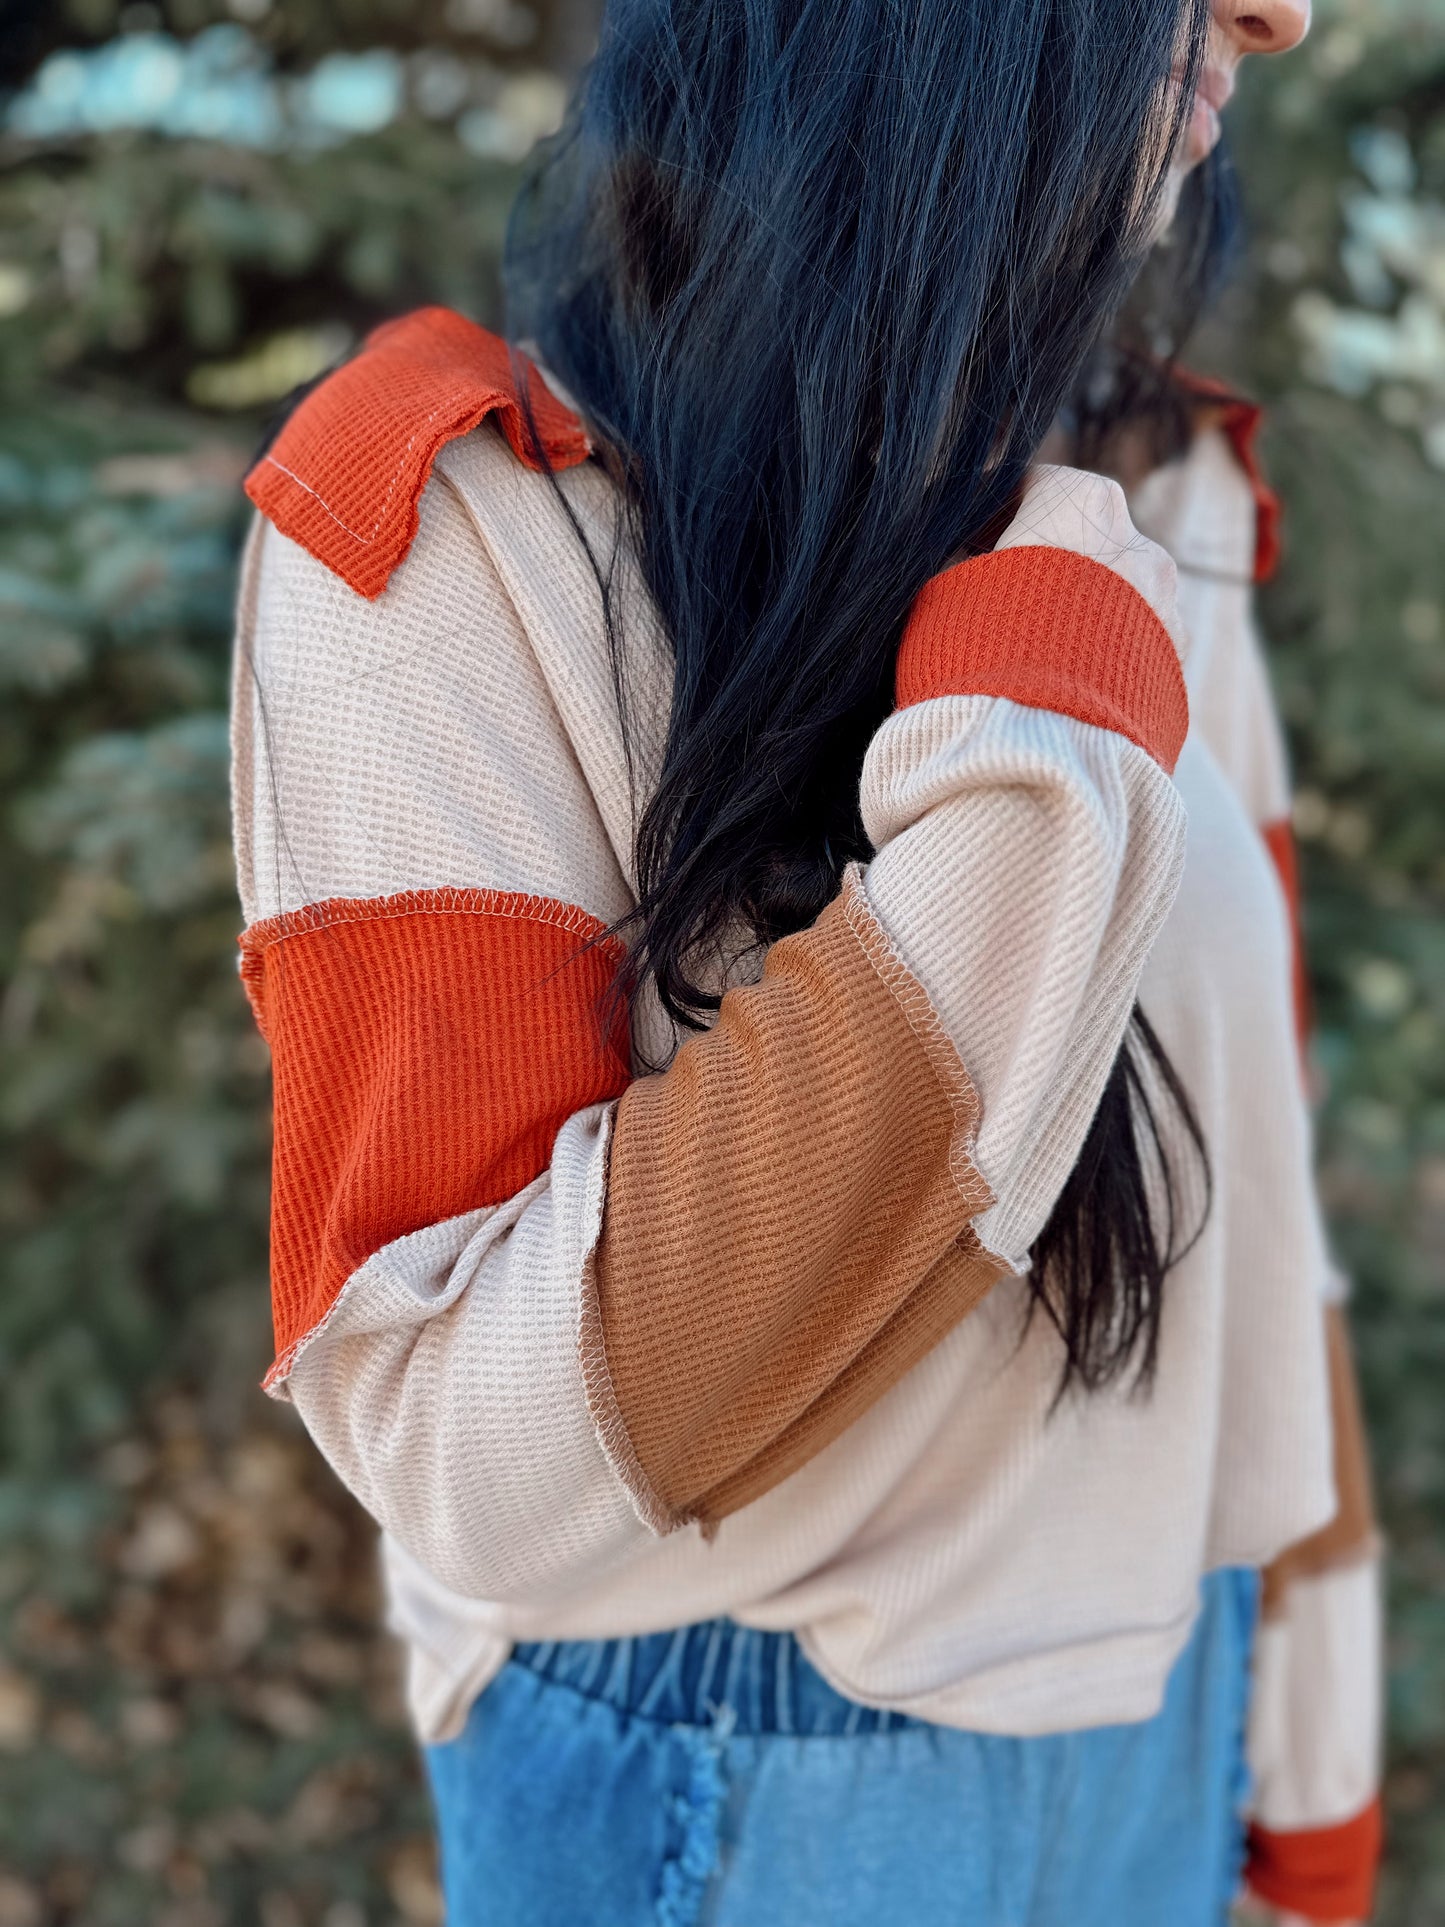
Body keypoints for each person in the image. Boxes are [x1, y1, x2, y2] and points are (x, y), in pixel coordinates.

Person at [230, 1, 1383, 1920]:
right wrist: (1030, 758)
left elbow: (1259, 1186)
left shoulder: (1153, 502)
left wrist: (1306, 1767)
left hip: (1160, 1716)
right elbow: (467, 1445)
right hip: (737, 1770)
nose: (1280, 16)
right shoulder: (458, 516)